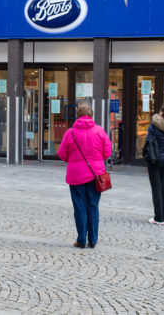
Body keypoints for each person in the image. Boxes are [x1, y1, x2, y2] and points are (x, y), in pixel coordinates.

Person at [58, 105, 112, 249]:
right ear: (91, 115)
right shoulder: (99, 131)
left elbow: (62, 154)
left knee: (79, 207)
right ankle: (93, 239)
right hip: (96, 174)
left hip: (76, 175)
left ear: (78, 115)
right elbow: (107, 152)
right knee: (93, 206)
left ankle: (81, 239)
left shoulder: (70, 133)